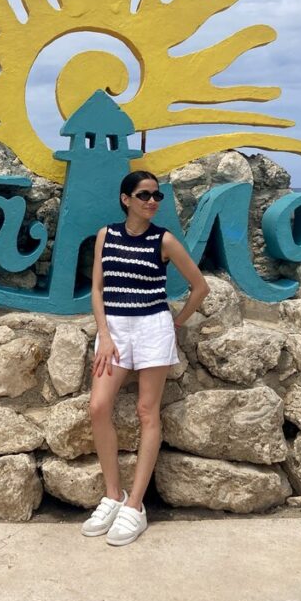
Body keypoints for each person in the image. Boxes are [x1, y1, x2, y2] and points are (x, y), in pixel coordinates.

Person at [82, 170, 209, 546]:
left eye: (157, 196)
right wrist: (104, 335)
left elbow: (199, 287)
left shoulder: (164, 240)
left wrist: (175, 324)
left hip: (153, 326)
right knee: (98, 406)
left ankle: (135, 506)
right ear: (126, 199)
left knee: (146, 411)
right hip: (116, 330)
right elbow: (97, 289)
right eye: (144, 195)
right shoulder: (107, 235)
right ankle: (112, 494)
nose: (152, 202)